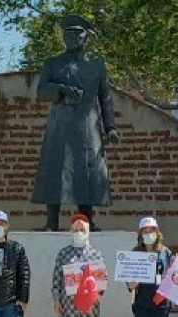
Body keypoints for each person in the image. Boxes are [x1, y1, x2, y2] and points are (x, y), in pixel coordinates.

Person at [31, 14, 120, 231]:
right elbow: (42, 91)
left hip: (88, 126)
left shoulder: (97, 66)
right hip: (60, 125)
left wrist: (110, 127)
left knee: (87, 171)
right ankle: (51, 222)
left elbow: (105, 98)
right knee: (55, 170)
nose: (73, 38)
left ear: (85, 36)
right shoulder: (53, 64)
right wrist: (61, 90)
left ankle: (86, 221)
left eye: (77, 34)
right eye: (68, 34)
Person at [51, 214, 105, 317]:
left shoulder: (96, 254)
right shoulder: (64, 254)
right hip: (69, 306)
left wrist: (96, 298)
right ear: (71, 232)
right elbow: (56, 280)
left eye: (82, 230)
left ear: (88, 232)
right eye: (76, 230)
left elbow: (102, 281)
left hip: (89, 306)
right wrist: (56, 300)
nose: (79, 232)